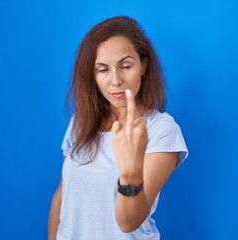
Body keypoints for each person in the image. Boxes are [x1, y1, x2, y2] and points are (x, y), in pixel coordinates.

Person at [47, 16, 188, 240]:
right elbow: (61, 196)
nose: (115, 81)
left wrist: (130, 170)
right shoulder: (80, 122)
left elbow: (128, 222)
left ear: (143, 65)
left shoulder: (161, 130)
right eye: (103, 70)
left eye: (125, 66)